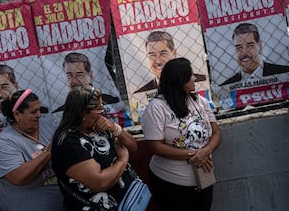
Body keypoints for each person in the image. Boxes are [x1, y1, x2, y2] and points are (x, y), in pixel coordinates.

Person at [141, 57, 221, 211]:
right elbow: (156, 146)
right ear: (180, 80)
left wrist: (206, 151)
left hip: (204, 176)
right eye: (190, 75)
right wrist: (194, 155)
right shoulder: (157, 108)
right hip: (170, 182)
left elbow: (216, 132)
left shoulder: (200, 102)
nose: (194, 78)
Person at [51, 85, 138, 210]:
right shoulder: (68, 143)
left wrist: (115, 128)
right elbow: (100, 182)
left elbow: (133, 147)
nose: (103, 113)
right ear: (82, 113)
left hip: (126, 203)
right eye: (99, 109)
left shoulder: (99, 127)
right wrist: (122, 161)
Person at [0, 89, 63, 211]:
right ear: (17, 115)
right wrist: (48, 153)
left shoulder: (46, 124)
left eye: (39, 110)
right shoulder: (6, 141)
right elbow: (18, 177)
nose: (39, 115)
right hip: (27, 204)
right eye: (33, 112)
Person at [53, 52, 132, 127]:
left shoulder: (112, 103)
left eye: (79, 74)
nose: (74, 81)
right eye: (69, 75)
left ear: (90, 75)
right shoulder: (60, 112)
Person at [134, 30, 206, 94]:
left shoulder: (200, 80)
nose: (158, 61)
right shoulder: (141, 92)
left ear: (174, 54)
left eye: (163, 53)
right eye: (152, 55)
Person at [220, 23, 289, 86]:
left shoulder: (285, 73)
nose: (244, 52)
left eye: (250, 45)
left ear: (260, 46)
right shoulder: (226, 86)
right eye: (239, 47)